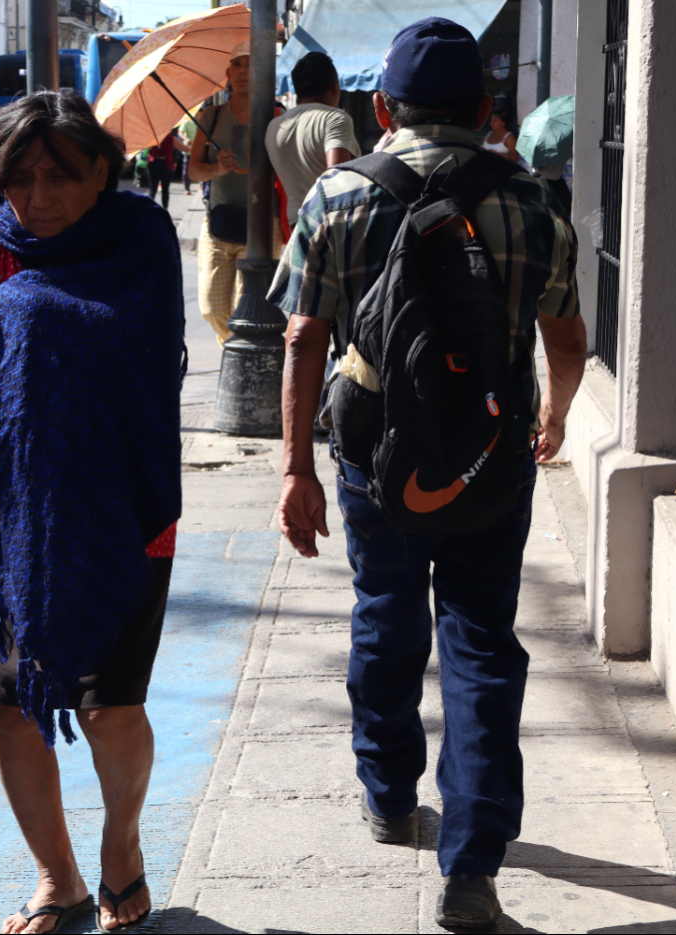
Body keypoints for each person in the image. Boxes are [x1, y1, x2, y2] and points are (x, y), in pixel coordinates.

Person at [269, 18, 587, 931]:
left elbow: (302, 335)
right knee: (483, 644)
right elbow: (565, 338)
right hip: (492, 456)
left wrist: (296, 470)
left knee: (384, 614)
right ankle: (472, 867)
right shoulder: (529, 200)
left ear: (381, 109)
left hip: (376, 456)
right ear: (489, 111)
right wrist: (555, 412)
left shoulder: (336, 196)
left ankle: (388, 790)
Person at [0, 90, 184, 935]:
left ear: (103, 174)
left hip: (124, 511)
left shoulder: (140, 238)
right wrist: (26, 308)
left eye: (59, 177)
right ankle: (57, 879)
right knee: (12, 705)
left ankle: (121, 846)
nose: (36, 198)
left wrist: (26, 308)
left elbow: (144, 351)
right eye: (19, 179)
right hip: (2, 524)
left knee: (109, 705)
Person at [189, 41, 273, 345]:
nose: (243, 71)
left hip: (263, 227)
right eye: (237, 64)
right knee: (211, 308)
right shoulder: (210, 116)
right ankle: (236, 349)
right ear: (228, 72)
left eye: (250, 65)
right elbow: (194, 170)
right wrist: (216, 170)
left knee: (247, 309)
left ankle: (240, 361)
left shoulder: (273, 115)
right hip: (218, 225)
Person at [265, 51, 360, 227]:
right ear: (335, 87)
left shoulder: (274, 126)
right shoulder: (335, 118)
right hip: (331, 225)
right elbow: (336, 179)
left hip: (296, 223)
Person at [145, 129, 179, 209]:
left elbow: (148, 151)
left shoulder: (152, 138)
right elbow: (176, 150)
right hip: (166, 164)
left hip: (153, 164)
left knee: (152, 189)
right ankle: (165, 209)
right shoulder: (171, 138)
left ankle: (148, 209)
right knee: (165, 189)